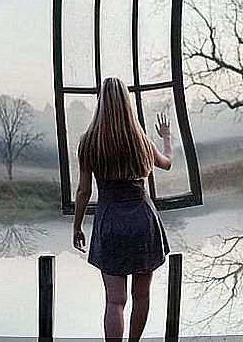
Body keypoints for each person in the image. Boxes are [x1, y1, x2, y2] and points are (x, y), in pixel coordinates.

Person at [72, 76, 173, 341]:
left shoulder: (89, 141)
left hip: (111, 223)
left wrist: (77, 225)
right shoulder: (139, 139)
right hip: (143, 220)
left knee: (115, 301)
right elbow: (167, 163)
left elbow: (84, 191)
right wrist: (166, 138)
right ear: (128, 103)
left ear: (100, 103)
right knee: (142, 295)